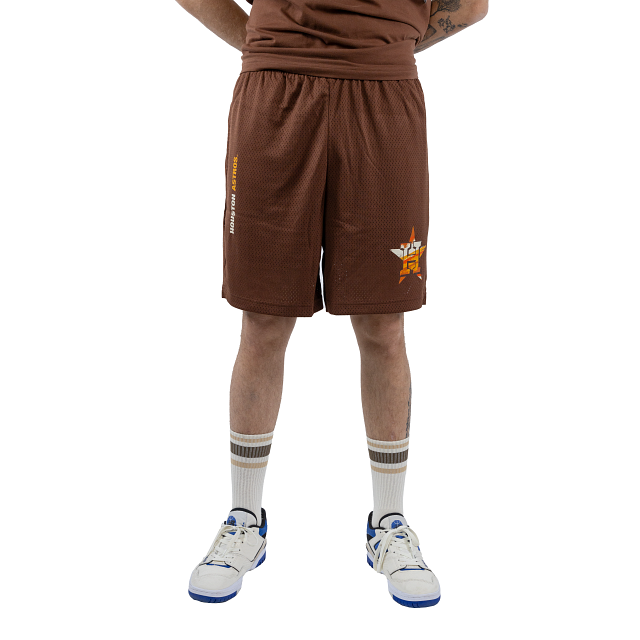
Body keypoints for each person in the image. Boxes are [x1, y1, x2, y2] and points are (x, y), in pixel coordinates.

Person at [175, 0, 488, 608]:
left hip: (382, 94)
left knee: (383, 321)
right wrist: (264, 42)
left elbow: (471, 6)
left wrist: (377, 48)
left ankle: (389, 523)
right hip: (276, 93)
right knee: (264, 316)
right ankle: (245, 517)